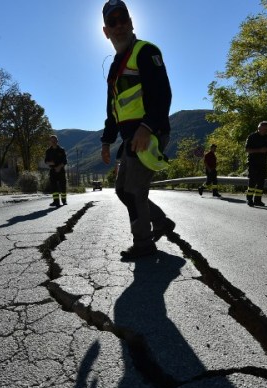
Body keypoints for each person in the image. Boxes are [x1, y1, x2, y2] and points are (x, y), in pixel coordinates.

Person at [100, 0, 175, 261]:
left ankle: (143, 245)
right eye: (113, 21)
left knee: (133, 190)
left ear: (132, 22)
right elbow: (113, 108)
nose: (119, 25)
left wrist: (147, 127)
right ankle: (161, 222)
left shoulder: (145, 51)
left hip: (149, 133)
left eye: (124, 19)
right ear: (105, 30)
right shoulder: (115, 66)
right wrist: (107, 141)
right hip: (129, 137)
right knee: (122, 190)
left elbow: (162, 94)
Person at [245, 121, 267, 207]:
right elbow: (247, 150)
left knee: (261, 182)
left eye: (265, 129)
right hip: (253, 162)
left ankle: (258, 200)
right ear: (258, 128)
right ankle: (249, 199)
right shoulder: (252, 137)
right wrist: (259, 150)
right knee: (252, 181)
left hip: (263, 163)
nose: (263, 130)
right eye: (262, 128)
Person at [45, 135, 67, 207]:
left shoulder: (61, 150)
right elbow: (46, 161)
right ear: (50, 142)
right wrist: (50, 163)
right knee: (54, 187)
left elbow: (65, 161)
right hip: (52, 171)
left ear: (57, 141)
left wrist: (59, 167)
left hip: (61, 170)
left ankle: (64, 201)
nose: (53, 142)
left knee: (62, 186)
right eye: (52, 141)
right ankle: (56, 202)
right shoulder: (48, 151)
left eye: (55, 141)